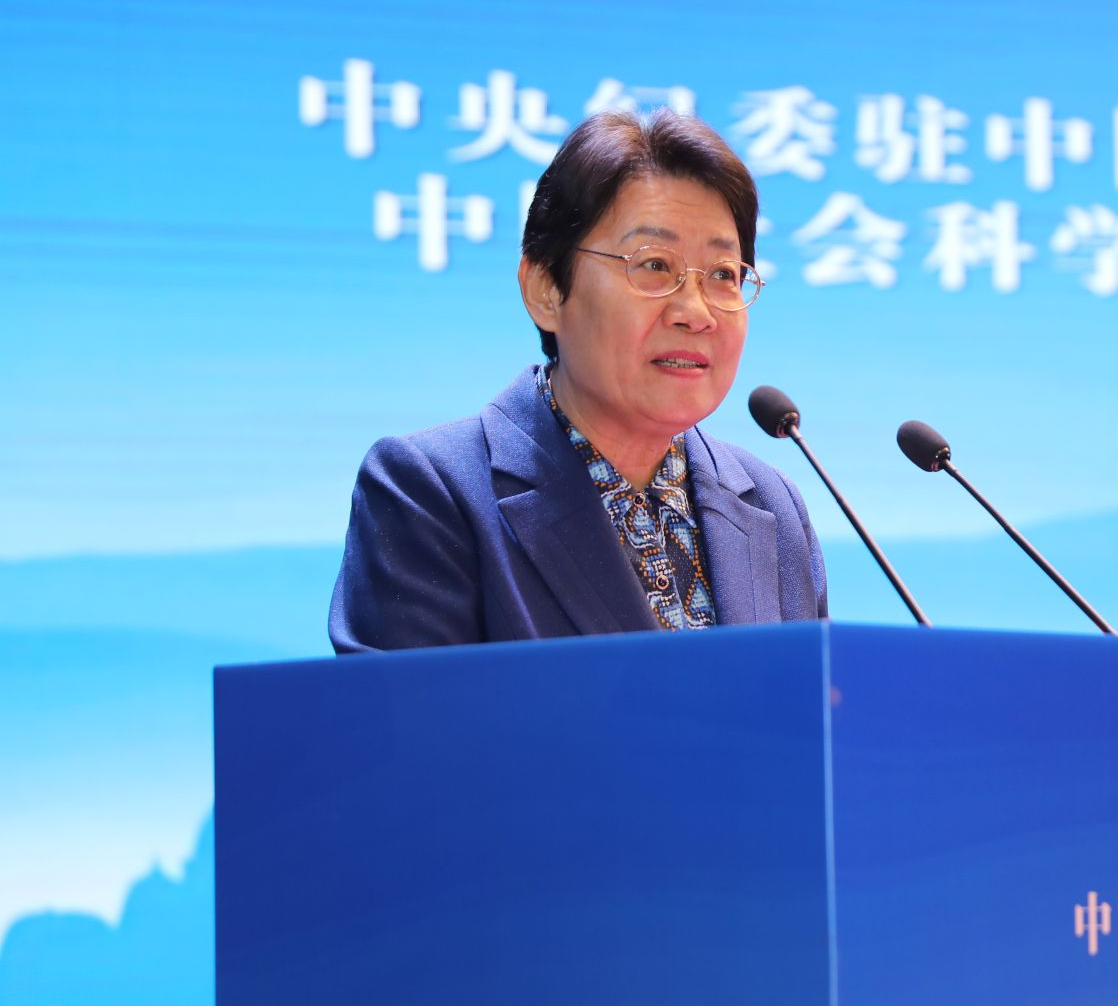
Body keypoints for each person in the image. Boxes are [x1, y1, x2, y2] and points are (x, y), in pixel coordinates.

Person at [329, 109, 826, 652]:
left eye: (723, 274)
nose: (695, 311)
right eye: (654, 265)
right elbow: (410, 709)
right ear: (546, 288)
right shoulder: (430, 492)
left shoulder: (773, 504)